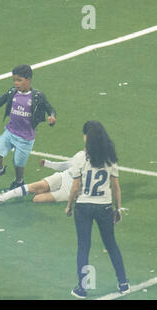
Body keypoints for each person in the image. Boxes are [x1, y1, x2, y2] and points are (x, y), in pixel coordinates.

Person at [65, 120, 129, 298]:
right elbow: (115, 187)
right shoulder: (110, 157)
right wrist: (118, 209)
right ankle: (123, 283)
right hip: (104, 206)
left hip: (84, 206)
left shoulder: (80, 157)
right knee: (111, 244)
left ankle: (82, 288)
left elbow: (75, 187)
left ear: (87, 137)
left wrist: (69, 206)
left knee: (83, 247)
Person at [0, 64, 56, 190]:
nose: (16, 83)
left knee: (18, 164)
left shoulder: (37, 96)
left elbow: (50, 109)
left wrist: (52, 118)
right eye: (14, 80)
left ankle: (19, 181)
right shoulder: (13, 92)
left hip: (25, 138)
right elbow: (1, 100)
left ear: (28, 79)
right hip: (10, 132)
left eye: (19, 80)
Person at [0, 151, 84, 205]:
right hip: (63, 177)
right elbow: (66, 165)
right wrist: (48, 163)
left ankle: (34, 191)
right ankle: (2, 198)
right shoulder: (80, 155)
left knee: (36, 198)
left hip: (68, 191)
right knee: (37, 186)